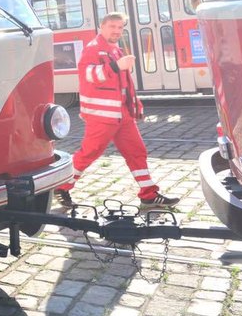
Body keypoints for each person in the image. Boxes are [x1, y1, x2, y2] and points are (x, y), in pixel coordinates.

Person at [55, 12, 179, 210]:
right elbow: (89, 75)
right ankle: (61, 186)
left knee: (137, 151)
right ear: (102, 27)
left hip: (123, 115)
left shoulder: (116, 49)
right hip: (102, 116)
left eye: (120, 27)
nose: (117, 31)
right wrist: (116, 65)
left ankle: (148, 194)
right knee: (90, 153)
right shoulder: (93, 49)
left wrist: (134, 104)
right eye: (113, 26)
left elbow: (124, 84)